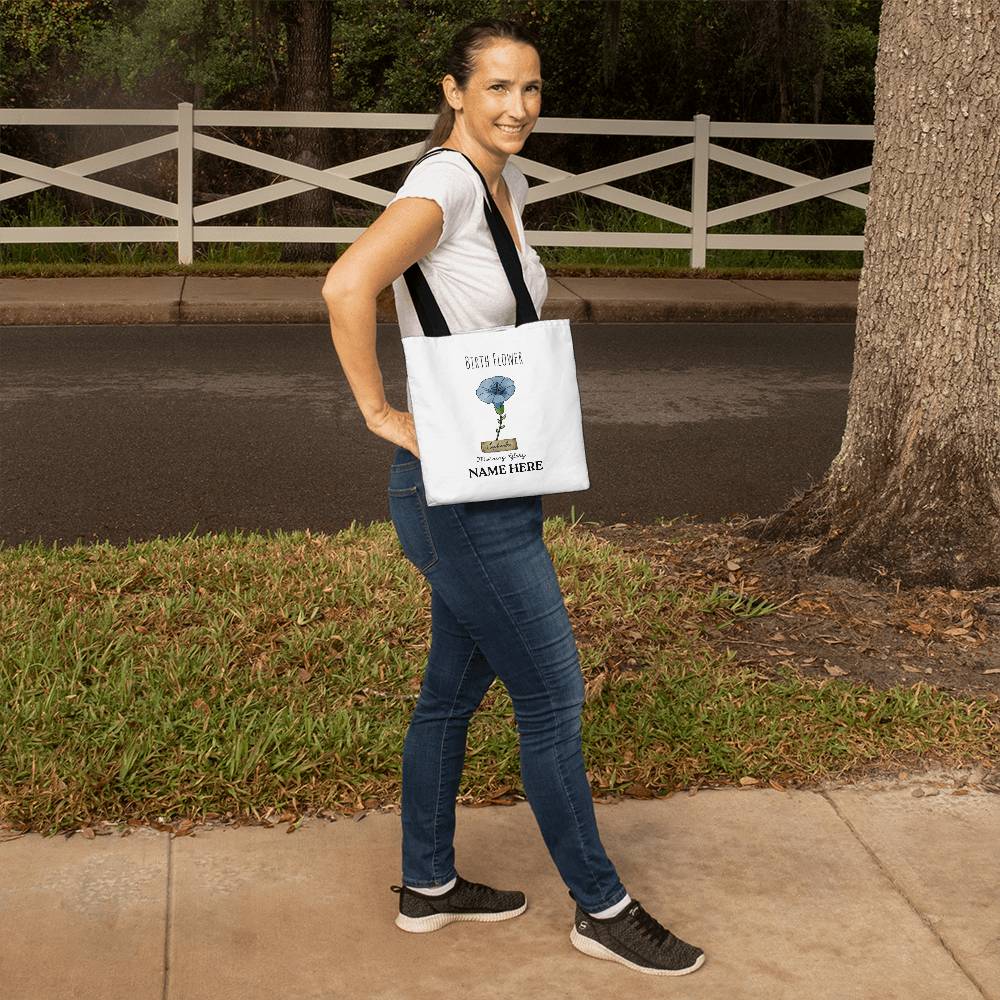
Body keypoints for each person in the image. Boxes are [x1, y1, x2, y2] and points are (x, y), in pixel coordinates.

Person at [322, 17, 705, 978]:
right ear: (453, 91)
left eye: (530, 89)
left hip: (491, 479)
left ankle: (428, 887)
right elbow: (348, 284)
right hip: (457, 494)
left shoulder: (503, 181)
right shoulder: (446, 183)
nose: (517, 107)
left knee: (451, 692)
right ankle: (602, 907)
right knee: (553, 694)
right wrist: (378, 409)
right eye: (495, 88)